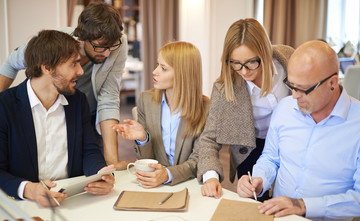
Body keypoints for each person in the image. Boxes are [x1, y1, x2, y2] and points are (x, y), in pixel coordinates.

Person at [237, 40, 360, 221]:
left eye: (303, 89)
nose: (294, 96)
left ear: (332, 83)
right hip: (277, 220)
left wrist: (303, 206)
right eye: (291, 86)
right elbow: (270, 158)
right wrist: (259, 180)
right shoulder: (285, 108)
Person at [0, 2, 128, 170]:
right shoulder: (52, 46)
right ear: (82, 37)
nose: (107, 53)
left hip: (85, 112)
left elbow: (109, 97)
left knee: (91, 164)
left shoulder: (116, 43)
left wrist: (112, 161)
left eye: (112, 46)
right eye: (100, 47)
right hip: (58, 110)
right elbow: (10, 63)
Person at [0, 30, 115, 207]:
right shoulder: (5, 106)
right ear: (47, 67)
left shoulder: (78, 100)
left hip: (73, 201)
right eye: (73, 64)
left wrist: (100, 174)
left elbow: (89, 150)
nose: (80, 71)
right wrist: (28, 189)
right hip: (23, 206)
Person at [196, 18, 294, 198]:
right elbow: (208, 138)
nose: (244, 71)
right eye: (236, 63)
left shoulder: (287, 59)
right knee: (255, 205)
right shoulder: (224, 88)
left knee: (288, 200)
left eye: (251, 62)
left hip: (290, 141)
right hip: (250, 149)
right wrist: (210, 176)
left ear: (264, 52)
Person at [112, 41, 209, 188]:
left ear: (183, 74)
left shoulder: (206, 108)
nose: (155, 71)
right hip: (153, 184)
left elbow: (199, 160)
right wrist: (143, 138)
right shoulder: (146, 100)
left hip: (190, 186)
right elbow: (146, 161)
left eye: (163, 68)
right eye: (158, 65)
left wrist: (167, 174)